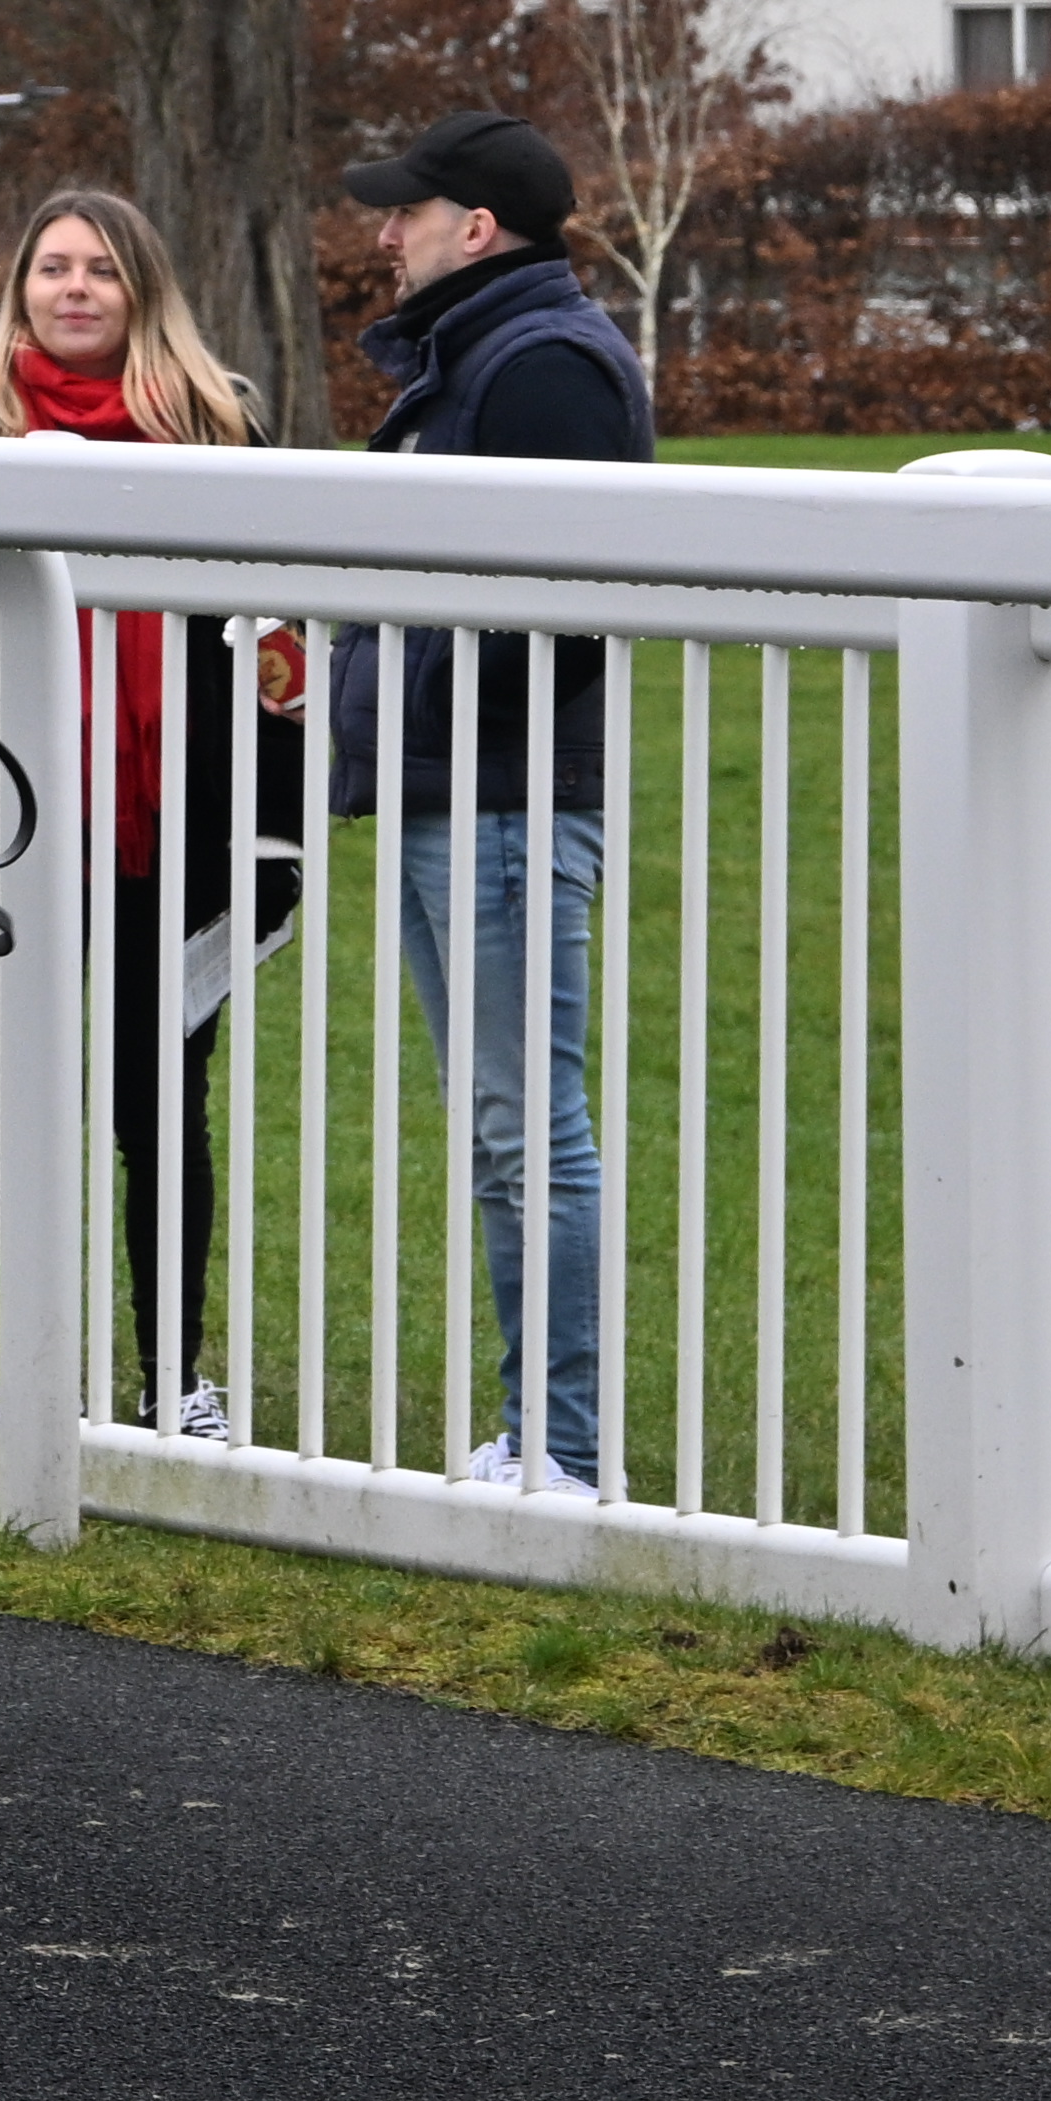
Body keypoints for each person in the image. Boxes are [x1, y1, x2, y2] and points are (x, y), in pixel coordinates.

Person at [0, 189, 303, 1447]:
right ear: (19, 287)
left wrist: (265, 830)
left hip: (173, 829)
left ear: (143, 292)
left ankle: (171, 1373)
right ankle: (36, 1368)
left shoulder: (219, 427)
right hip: (21, 824)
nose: (74, 290)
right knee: (20, 1094)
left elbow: (274, 645)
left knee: (162, 1103)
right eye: (52, 269)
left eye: (102, 273)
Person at [323, 107, 653, 1496]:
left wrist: (406, 697)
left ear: (477, 228)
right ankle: (537, 1435)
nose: (383, 235)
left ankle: (563, 1451)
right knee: (504, 1128)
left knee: (531, 1132)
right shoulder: (484, 354)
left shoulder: (541, 363)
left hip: (501, 801)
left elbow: (564, 614)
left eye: (406, 211)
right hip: (447, 792)